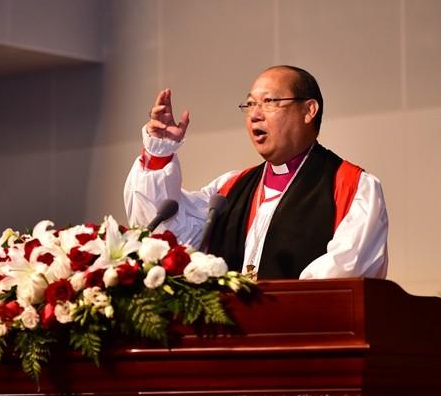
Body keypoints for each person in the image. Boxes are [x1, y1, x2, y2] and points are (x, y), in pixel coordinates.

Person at [124, 65, 388, 279]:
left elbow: (345, 274)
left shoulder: (352, 186)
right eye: (249, 105)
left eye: (269, 102)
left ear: (309, 110)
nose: (254, 115)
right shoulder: (230, 189)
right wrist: (159, 152)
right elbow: (166, 236)